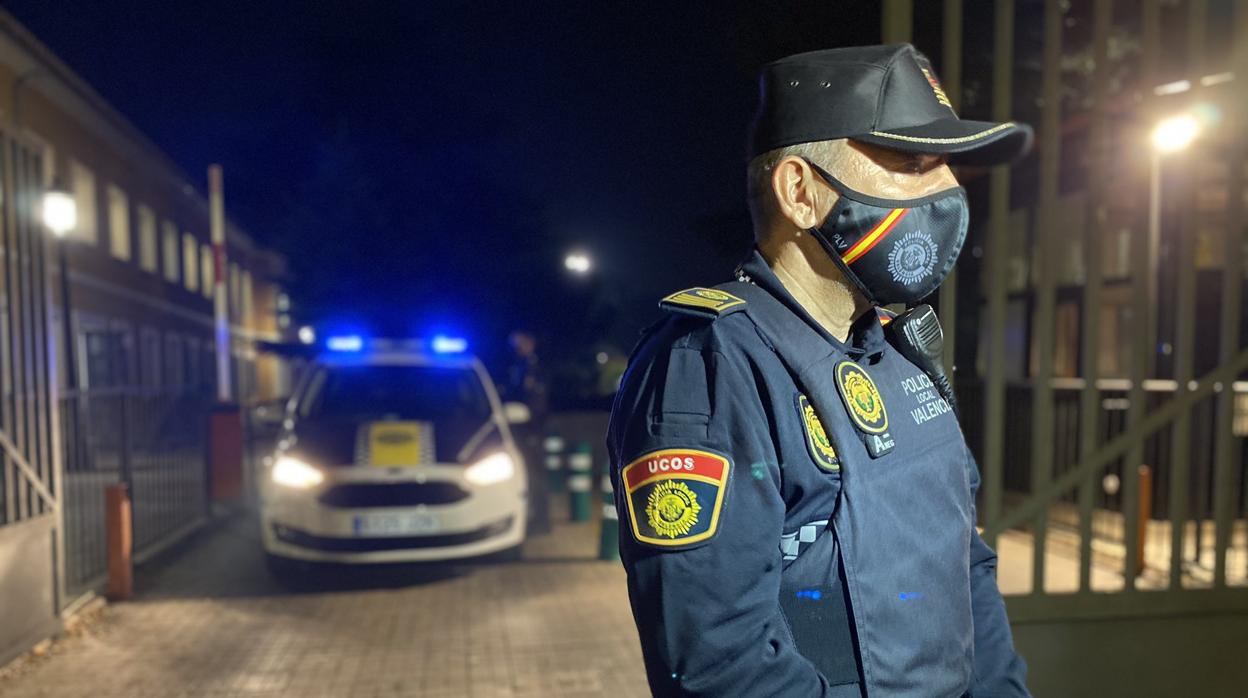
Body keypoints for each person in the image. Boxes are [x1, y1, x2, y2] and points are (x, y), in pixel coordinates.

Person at [607, 44, 1033, 697]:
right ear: (801, 192)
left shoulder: (896, 351)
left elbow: (965, 565)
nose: (948, 190)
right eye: (914, 164)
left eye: (948, 167)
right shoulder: (711, 365)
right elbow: (721, 664)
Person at [503, 330, 551, 534]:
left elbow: (536, 401)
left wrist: (533, 430)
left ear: (530, 342)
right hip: (522, 429)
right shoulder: (518, 366)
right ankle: (533, 518)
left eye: (520, 343)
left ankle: (541, 521)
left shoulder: (534, 368)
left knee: (535, 476)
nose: (517, 348)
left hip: (531, 430)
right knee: (527, 476)